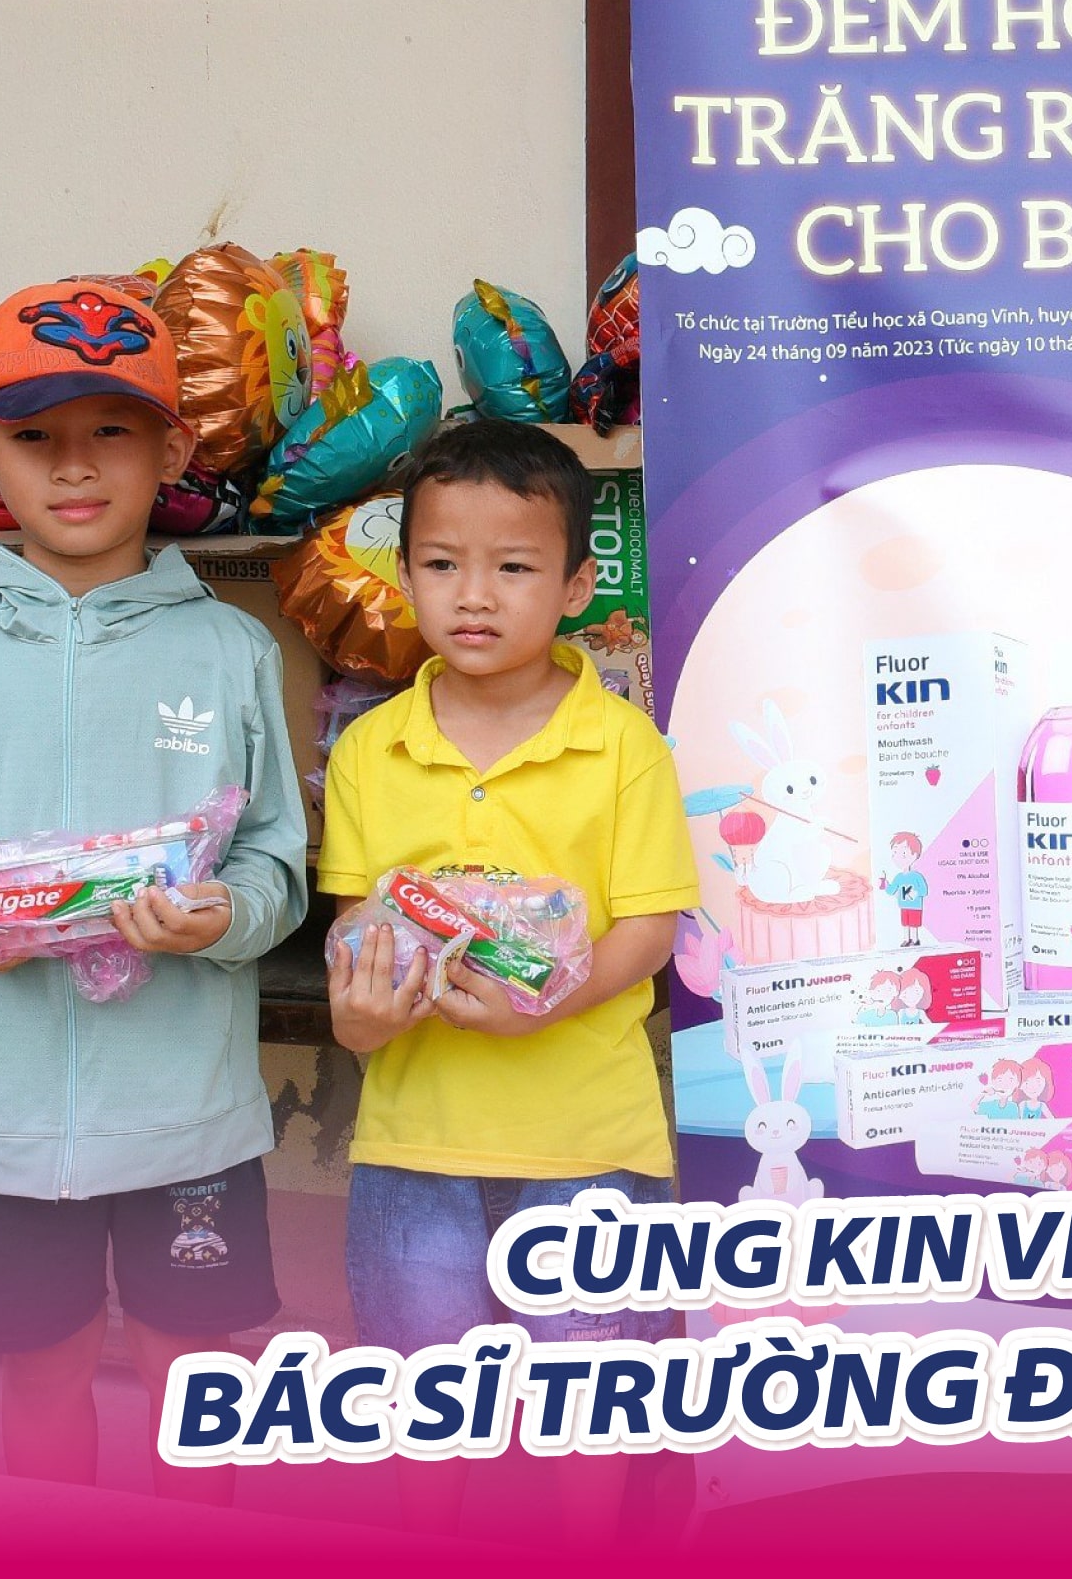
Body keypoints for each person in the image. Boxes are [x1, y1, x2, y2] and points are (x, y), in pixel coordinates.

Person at [0, 281, 308, 1503]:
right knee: (38, 1369)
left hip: (186, 1111)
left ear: (172, 451)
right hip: (5, 1112)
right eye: (34, 435)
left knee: (195, 1369)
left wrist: (226, 917)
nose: (74, 466)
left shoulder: (229, 648)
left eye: (111, 430)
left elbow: (276, 859)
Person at [319, 418, 699, 1539]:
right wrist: (361, 1015)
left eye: (515, 567)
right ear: (404, 575)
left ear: (577, 585)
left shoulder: (623, 744)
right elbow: (357, 933)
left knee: (587, 1397)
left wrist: (549, 1001)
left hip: (588, 1143)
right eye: (442, 563)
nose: (474, 595)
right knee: (424, 1393)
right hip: (414, 1143)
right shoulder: (370, 748)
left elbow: (650, 928)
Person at [881, 829, 929, 944]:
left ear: (914, 855)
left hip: (915, 906)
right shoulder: (898, 877)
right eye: (895, 853)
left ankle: (915, 939)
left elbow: (924, 891)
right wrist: (884, 883)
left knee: (914, 924)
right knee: (905, 923)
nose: (898, 857)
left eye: (903, 853)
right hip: (903, 905)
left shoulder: (916, 876)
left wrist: (915, 892)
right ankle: (906, 939)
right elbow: (891, 890)